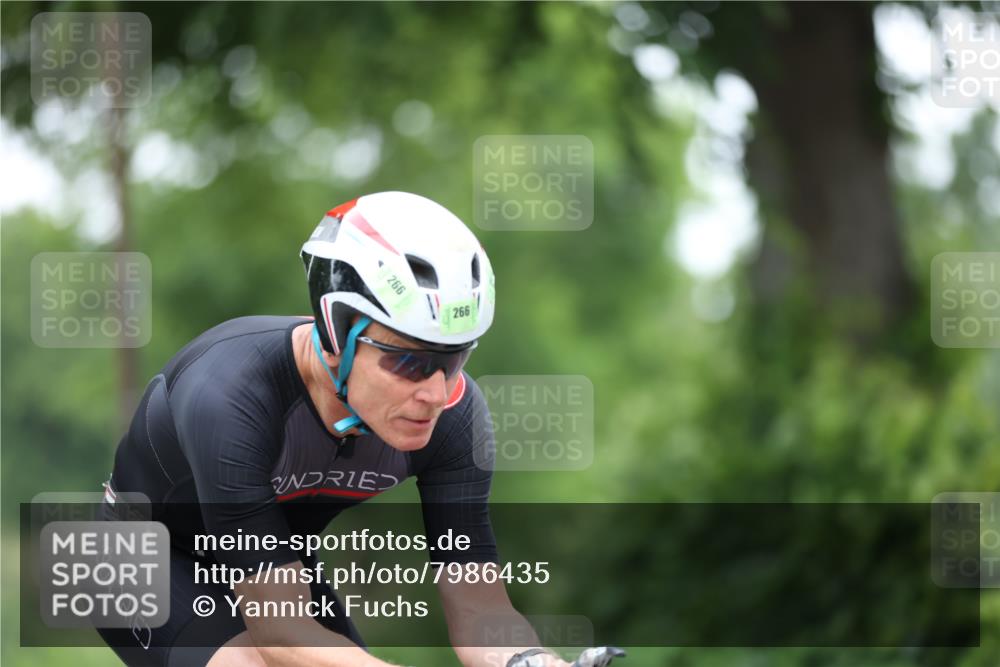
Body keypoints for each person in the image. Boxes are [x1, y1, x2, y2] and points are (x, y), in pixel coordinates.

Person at [95, 192, 623, 667]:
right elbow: (280, 633)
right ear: (336, 332)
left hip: (272, 564)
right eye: (409, 362)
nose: (436, 394)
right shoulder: (230, 394)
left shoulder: (457, 416)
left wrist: (527, 661)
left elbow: (478, 602)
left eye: (455, 359)